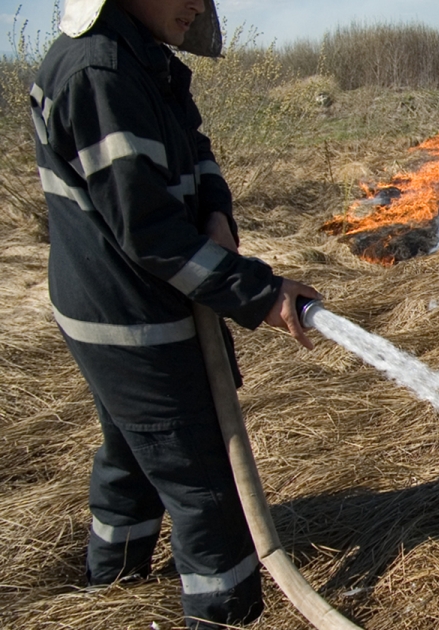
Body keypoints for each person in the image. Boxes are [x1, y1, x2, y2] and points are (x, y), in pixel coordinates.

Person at [31, 0, 320, 627]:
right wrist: (262, 294)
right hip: (131, 319)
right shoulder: (97, 73)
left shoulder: (141, 59)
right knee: (207, 490)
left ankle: (110, 589)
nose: (198, 5)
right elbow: (151, 234)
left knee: (134, 451)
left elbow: (194, 148)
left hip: (122, 310)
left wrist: (216, 209)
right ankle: (224, 612)